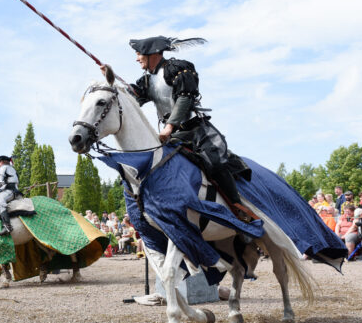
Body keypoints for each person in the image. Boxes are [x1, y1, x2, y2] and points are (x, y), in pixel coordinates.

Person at [101, 36, 255, 222]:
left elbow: (184, 98)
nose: (137, 58)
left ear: (153, 54)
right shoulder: (148, 81)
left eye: (139, 53)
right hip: (172, 136)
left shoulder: (179, 68)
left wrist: (168, 127)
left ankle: (239, 210)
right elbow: (131, 100)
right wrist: (111, 80)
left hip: (196, 131)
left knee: (216, 162)